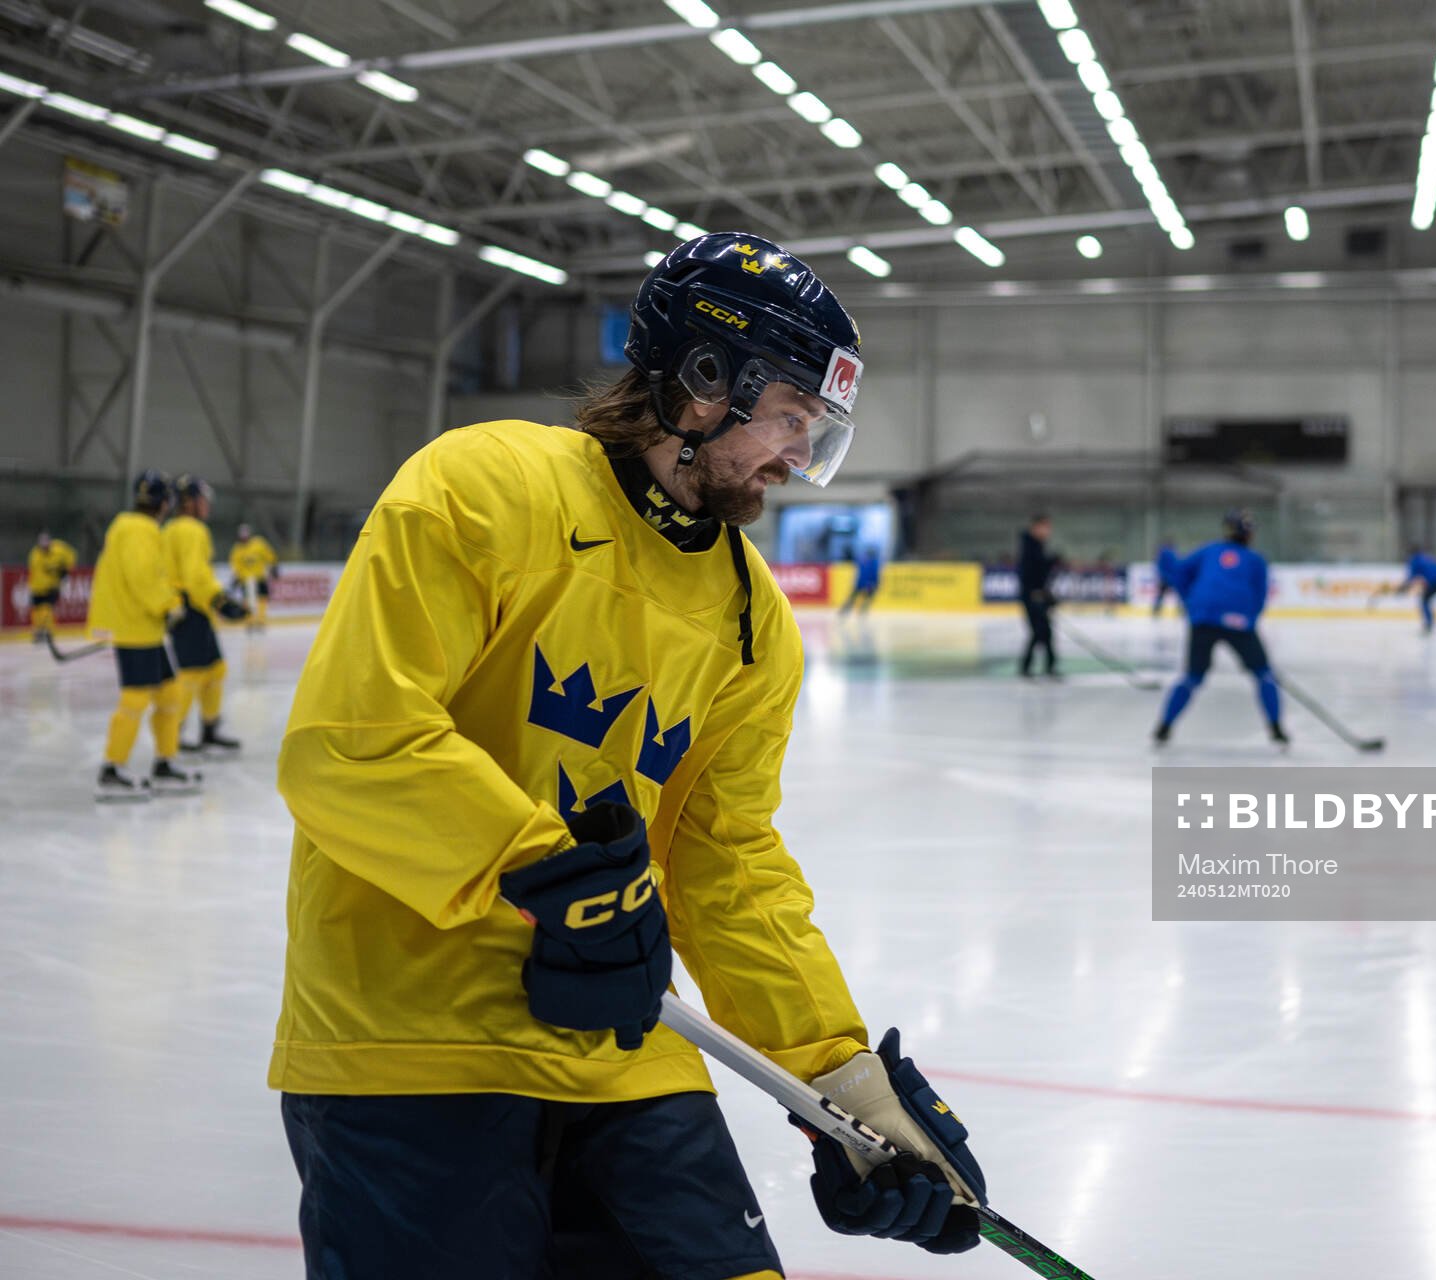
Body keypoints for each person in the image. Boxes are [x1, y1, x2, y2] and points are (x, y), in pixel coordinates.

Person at [270, 232, 985, 1278]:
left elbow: (725, 864)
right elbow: (352, 742)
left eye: (815, 430)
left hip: (623, 1048)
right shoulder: (486, 486)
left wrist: (844, 1082)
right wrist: (542, 868)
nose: (796, 457)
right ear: (704, 381)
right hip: (411, 1041)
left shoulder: (754, 620)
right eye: (790, 416)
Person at [85, 470, 201, 800]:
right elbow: (143, 576)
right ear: (165, 503)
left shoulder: (130, 526)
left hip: (143, 628)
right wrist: (168, 605)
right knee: (136, 698)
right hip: (135, 627)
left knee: (169, 694)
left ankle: (165, 763)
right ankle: (111, 770)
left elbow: (146, 574)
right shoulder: (139, 530)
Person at [1152, 511, 1286, 746]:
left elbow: (1177, 571)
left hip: (1204, 619)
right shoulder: (1255, 560)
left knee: (1192, 677)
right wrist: (1247, 621)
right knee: (1264, 675)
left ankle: (1164, 726)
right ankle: (1276, 728)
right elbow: (1260, 595)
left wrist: (1165, 555)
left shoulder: (1209, 550)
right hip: (1240, 624)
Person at [163, 475, 251, 754]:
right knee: (191, 674)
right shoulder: (191, 530)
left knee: (215, 669)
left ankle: (210, 729)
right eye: (202, 500)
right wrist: (219, 601)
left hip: (189, 608)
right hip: (190, 609)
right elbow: (195, 575)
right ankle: (172, 735)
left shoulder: (173, 529)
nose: (207, 505)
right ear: (189, 502)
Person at [1017, 513, 1058, 677]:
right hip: (1033, 596)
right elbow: (1029, 572)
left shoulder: (1037, 545)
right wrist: (1036, 593)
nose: (1048, 530)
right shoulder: (1029, 546)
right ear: (1036, 527)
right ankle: (1026, 667)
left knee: (1045, 632)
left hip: (1039, 595)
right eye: (1045, 527)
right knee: (1038, 631)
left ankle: (1049, 666)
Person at [1381, 544, 1436, 634]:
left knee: (1424, 600)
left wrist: (1402, 588)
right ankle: (1429, 624)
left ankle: (1429, 625)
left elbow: (1411, 579)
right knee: (1426, 600)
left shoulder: (1414, 560)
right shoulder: (1427, 557)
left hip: (1434, 580)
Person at [26, 529, 76, 644]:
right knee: (37, 611)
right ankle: (39, 631)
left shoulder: (59, 549)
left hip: (51, 587)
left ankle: (47, 631)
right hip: (38, 587)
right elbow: (38, 572)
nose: (45, 547)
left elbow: (71, 555)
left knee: (48, 609)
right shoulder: (35, 555)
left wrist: (66, 569)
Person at [229, 522, 278, 630]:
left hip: (259, 576)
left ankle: (260, 620)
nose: (244, 538)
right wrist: (237, 577)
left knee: (262, 598)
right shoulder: (237, 549)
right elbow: (235, 565)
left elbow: (268, 554)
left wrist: (273, 565)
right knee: (247, 600)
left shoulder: (258, 543)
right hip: (246, 579)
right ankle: (250, 621)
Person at [841, 545, 881, 616]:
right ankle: (861, 611)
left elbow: (852, 559)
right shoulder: (874, 562)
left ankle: (845, 610)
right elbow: (874, 574)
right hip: (868, 584)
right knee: (867, 598)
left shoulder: (862, 560)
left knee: (854, 597)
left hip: (860, 583)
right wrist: (875, 584)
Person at [1150, 538, 1178, 616]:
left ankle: (1156, 611)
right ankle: (1156, 611)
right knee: (1161, 596)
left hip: (1167, 578)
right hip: (1166, 579)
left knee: (1161, 596)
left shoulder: (1165, 554)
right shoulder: (1168, 554)